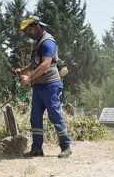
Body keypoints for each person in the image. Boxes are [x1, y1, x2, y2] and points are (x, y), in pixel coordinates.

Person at [12, 16, 72, 158]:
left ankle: (66, 147)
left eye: (29, 30)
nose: (28, 33)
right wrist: (22, 71)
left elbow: (45, 64)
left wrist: (29, 78)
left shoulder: (48, 42)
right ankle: (37, 149)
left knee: (55, 116)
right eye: (26, 31)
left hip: (51, 85)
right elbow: (34, 64)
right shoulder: (37, 43)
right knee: (35, 117)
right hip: (39, 86)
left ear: (38, 26)